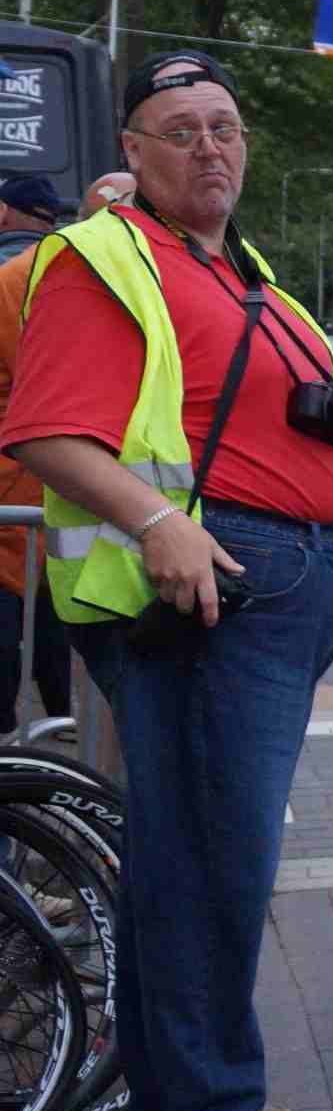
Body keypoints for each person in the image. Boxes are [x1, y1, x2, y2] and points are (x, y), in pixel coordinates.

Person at [3, 52, 333, 1111]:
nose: (209, 146)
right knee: (215, 866)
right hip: (206, 602)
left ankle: (181, 1098)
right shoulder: (104, 257)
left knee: (191, 857)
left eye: (224, 125)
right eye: (179, 130)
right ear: (132, 151)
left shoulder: (234, 266)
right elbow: (46, 429)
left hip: (262, 599)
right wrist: (159, 521)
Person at [0, 173, 93, 726]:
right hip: (70, 469)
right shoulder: (71, 268)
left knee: (8, 604)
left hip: (15, 467)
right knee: (53, 598)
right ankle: (60, 715)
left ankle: (10, 733)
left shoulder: (14, 277)